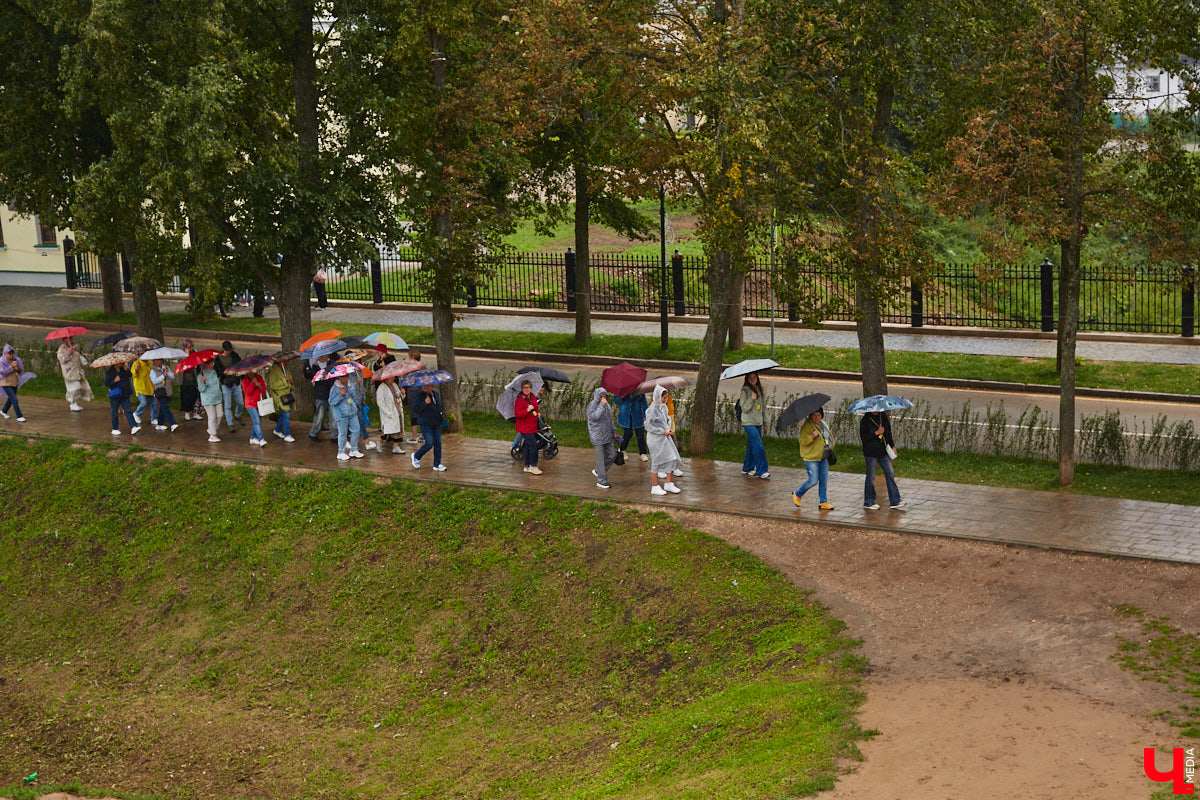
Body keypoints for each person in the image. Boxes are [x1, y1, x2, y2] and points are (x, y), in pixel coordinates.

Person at [861, 410, 906, 510]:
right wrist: (876, 433)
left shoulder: (883, 417)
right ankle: (868, 501)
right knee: (871, 477)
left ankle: (895, 500)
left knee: (890, 472)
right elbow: (864, 438)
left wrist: (892, 446)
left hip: (883, 451)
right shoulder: (865, 420)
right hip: (871, 453)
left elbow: (888, 433)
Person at [793, 408, 835, 510]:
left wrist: (831, 446)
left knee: (823, 480)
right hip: (811, 458)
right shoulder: (807, 427)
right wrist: (812, 436)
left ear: (822, 416)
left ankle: (823, 501)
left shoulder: (823, 424)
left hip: (823, 456)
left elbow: (828, 437)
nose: (816, 418)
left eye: (818, 415)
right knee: (813, 480)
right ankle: (797, 494)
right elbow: (803, 442)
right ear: (810, 416)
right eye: (814, 415)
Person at [645, 385, 682, 495]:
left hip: (664, 437)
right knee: (656, 461)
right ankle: (655, 486)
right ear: (657, 396)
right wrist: (662, 431)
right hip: (655, 439)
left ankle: (669, 483)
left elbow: (666, 420)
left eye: (667, 397)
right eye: (664, 398)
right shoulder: (652, 410)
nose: (666, 400)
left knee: (672, 457)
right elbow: (648, 426)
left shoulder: (663, 407)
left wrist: (668, 429)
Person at [409, 382, 446, 471]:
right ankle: (416, 456)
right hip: (425, 423)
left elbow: (438, 407)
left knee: (438, 443)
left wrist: (441, 417)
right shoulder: (420, 396)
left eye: (429, 385)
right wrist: (425, 403)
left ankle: (437, 464)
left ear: (432, 385)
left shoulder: (435, 394)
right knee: (429, 443)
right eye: (425, 385)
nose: (426, 387)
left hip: (436, 422)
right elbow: (415, 409)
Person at [739, 372, 769, 479]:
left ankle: (747, 468)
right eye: (750, 378)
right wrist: (751, 399)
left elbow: (763, 407)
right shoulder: (745, 391)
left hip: (758, 422)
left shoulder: (758, 389)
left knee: (752, 445)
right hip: (748, 422)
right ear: (747, 379)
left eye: (754, 377)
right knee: (758, 445)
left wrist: (767, 421)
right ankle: (762, 470)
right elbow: (744, 408)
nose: (753, 379)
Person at [586, 387, 618, 489]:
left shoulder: (607, 405)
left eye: (605, 396)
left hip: (607, 434)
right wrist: (602, 405)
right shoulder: (592, 405)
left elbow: (609, 420)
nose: (603, 398)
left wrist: (614, 432)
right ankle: (601, 481)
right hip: (597, 436)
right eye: (601, 396)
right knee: (600, 459)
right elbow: (595, 417)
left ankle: (598, 471)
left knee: (612, 454)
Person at [329, 373, 364, 460]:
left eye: (346, 376)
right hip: (341, 415)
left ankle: (354, 449)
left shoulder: (350, 385)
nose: (345, 378)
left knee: (356, 429)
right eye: (342, 376)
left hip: (352, 412)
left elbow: (354, 396)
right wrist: (340, 395)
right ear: (339, 377)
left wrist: (355, 405)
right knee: (343, 433)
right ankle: (341, 452)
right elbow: (331, 401)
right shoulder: (335, 388)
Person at [514, 379, 542, 475]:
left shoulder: (532, 397)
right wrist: (527, 410)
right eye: (524, 388)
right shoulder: (519, 400)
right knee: (534, 445)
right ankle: (533, 466)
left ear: (531, 388)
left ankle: (527, 466)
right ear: (522, 388)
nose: (526, 389)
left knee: (528, 445)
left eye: (528, 387)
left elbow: (536, 407)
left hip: (532, 426)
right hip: (524, 427)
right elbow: (518, 414)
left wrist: (537, 413)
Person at [214, 341, 245, 430]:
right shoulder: (218, 359)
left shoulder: (235, 355)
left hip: (235, 381)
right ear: (223, 349)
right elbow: (217, 372)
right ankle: (230, 423)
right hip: (226, 383)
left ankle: (237, 415)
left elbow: (240, 365)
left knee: (240, 403)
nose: (228, 351)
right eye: (227, 350)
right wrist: (223, 373)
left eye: (230, 350)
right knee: (227, 405)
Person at [104, 360, 140, 435]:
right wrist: (114, 381)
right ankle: (115, 428)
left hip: (125, 393)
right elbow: (106, 383)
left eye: (122, 362)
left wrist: (126, 369)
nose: (122, 363)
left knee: (128, 410)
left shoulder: (124, 369)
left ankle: (133, 426)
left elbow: (130, 375)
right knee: (115, 411)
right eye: (120, 362)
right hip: (115, 395)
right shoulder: (110, 371)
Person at [56, 336, 91, 412]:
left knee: (79, 387)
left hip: (77, 371)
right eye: (68, 338)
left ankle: (74, 403)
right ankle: (73, 403)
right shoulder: (62, 349)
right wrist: (68, 354)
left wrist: (77, 350)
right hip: (69, 372)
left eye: (71, 338)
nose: (70, 340)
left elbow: (80, 356)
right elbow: (62, 360)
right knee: (73, 388)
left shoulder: (75, 345)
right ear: (64, 339)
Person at [306, 354, 334, 441]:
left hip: (331, 394)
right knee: (319, 415)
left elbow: (334, 375)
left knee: (333, 416)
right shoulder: (314, 366)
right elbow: (314, 377)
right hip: (321, 394)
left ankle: (335, 435)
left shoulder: (331, 363)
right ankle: (313, 433)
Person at [266, 360, 296, 442]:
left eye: (286, 362)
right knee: (286, 414)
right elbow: (273, 385)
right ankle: (287, 434)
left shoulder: (286, 370)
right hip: (280, 397)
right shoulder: (273, 372)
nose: (286, 363)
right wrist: (284, 380)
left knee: (284, 415)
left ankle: (277, 429)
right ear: (279, 362)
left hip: (287, 396)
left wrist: (290, 383)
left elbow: (289, 383)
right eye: (284, 362)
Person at [376, 375, 405, 454]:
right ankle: (380, 442)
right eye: (391, 377)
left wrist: (402, 393)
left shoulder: (394, 385)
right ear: (386, 378)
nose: (393, 378)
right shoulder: (381, 388)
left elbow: (399, 397)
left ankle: (396, 447)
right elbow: (380, 402)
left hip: (397, 410)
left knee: (398, 430)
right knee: (388, 431)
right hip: (389, 413)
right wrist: (388, 412)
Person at [196, 355, 223, 442]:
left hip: (217, 397)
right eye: (211, 363)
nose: (213, 364)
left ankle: (212, 429)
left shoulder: (214, 372)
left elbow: (216, 383)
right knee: (212, 417)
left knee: (220, 415)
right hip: (208, 399)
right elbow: (201, 389)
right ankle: (212, 435)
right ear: (206, 364)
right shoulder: (200, 376)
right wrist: (203, 382)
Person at [617, 391, 649, 462]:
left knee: (640, 434)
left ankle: (643, 453)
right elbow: (616, 400)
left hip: (637, 415)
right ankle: (622, 449)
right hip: (625, 415)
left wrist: (646, 414)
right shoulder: (622, 389)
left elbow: (644, 402)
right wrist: (621, 396)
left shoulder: (640, 389)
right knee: (628, 433)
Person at [241, 369, 269, 447]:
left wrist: (259, 385)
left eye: (253, 371)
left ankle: (252, 437)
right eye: (249, 372)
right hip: (250, 404)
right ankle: (261, 439)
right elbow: (247, 392)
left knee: (257, 421)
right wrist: (253, 383)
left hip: (259, 403)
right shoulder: (245, 380)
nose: (251, 373)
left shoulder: (259, 378)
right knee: (256, 420)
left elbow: (263, 391)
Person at [149, 359, 179, 432]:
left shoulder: (166, 367)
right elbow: (154, 381)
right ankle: (173, 423)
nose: (158, 362)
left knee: (163, 408)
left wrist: (167, 372)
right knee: (165, 408)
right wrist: (163, 376)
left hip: (167, 390)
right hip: (160, 391)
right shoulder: (152, 371)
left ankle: (160, 424)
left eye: (159, 360)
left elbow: (172, 377)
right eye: (156, 360)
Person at [0, 344, 27, 422]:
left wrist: (17, 368)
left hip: (14, 382)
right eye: (9, 353)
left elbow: (20, 371)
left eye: (12, 353)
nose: (11, 355)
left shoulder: (16, 360)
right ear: (5, 353)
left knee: (11, 398)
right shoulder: (1, 360)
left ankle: (4, 410)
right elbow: (3, 372)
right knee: (14, 399)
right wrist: (11, 366)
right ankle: (19, 416)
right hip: (5, 383)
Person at [178, 339, 202, 420]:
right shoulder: (181, 355)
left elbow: (198, 364)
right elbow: (181, 365)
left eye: (192, 346)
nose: (191, 348)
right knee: (186, 396)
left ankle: (195, 412)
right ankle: (187, 412)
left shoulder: (194, 353)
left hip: (194, 378)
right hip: (185, 379)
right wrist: (187, 355)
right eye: (189, 347)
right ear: (185, 347)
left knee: (196, 396)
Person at [130, 355, 156, 426]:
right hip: (140, 386)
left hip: (150, 386)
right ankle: (137, 414)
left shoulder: (151, 363)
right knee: (144, 402)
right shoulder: (136, 363)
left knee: (154, 403)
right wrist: (136, 369)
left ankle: (153, 418)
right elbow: (133, 375)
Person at [405, 348, 423, 444]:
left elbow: (406, 381)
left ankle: (414, 436)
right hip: (421, 392)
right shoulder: (422, 367)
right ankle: (423, 435)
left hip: (412, 392)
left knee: (414, 415)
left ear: (412, 358)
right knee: (422, 413)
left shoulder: (409, 369)